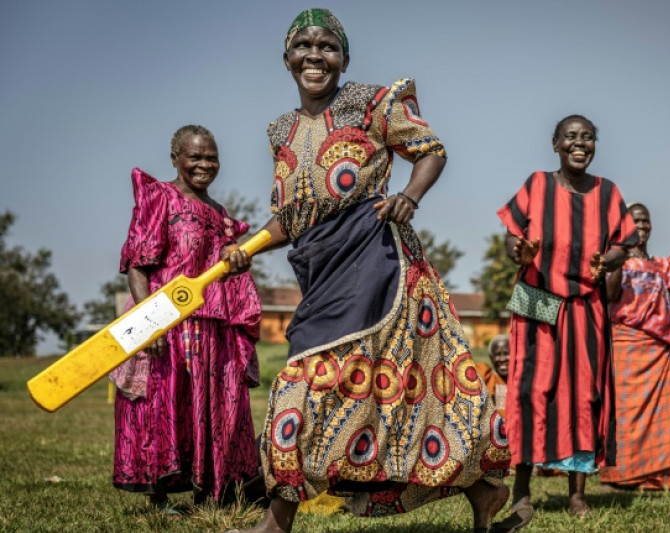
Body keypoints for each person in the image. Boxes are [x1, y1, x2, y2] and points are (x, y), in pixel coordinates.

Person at [224, 9, 509, 533]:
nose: (315, 56)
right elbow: (292, 216)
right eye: (304, 46)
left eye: (328, 46)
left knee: (307, 384)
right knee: (373, 392)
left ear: (345, 59)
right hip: (320, 271)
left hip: (376, 261)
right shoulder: (281, 130)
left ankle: (275, 524)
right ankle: (484, 492)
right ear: (286, 59)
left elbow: (431, 151)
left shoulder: (372, 103)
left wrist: (409, 197)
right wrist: (248, 247)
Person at [494, 114, 637, 530]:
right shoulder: (537, 184)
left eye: (587, 137)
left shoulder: (608, 192)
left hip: (584, 304)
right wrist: (518, 251)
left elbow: (623, 244)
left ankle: (577, 495)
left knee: (583, 394)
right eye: (571, 136)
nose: (580, 143)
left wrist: (608, 260)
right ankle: (521, 492)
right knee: (530, 390)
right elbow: (511, 234)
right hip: (536, 296)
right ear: (555, 144)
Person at [110, 125, 262, 509]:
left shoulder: (219, 213)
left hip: (212, 326)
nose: (204, 165)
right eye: (195, 157)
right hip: (167, 322)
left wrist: (235, 258)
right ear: (175, 159)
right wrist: (150, 324)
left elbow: (221, 267)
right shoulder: (160, 197)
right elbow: (138, 266)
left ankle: (209, 492)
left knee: (211, 408)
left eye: (211, 158)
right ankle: (158, 499)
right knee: (161, 406)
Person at [599, 203, 670, 491]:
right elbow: (609, 296)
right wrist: (618, 257)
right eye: (635, 221)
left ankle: (662, 475)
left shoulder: (663, 266)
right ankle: (623, 475)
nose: (642, 226)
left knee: (669, 413)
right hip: (626, 346)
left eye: (645, 221)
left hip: (662, 350)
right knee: (625, 414)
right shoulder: (613, 262)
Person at [475, 334, 510, 418]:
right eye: (497, 354)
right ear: (491, 358)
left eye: (507, 353)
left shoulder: (523, 381)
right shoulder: (486, 376)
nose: (502, 359)